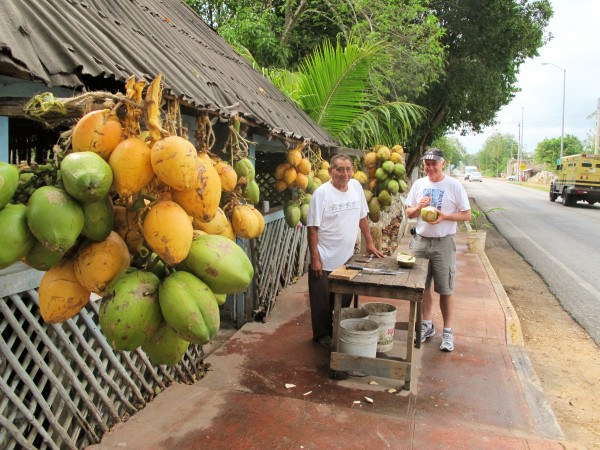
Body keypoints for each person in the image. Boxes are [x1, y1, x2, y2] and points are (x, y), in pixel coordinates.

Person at [307, 154, 385, 347]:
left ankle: (337, 332)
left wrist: (370, 243)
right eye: (340, 169)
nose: (344, 173)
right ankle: (322, 336)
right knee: (321, 304)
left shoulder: (357, 188)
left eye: (348, 169)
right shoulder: (322, 194)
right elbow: (312, 228)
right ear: (330, 171)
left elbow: (362, 218)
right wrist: (315, 258)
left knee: (342, 301)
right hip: (324, 259)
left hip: (347, 259)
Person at [405, 148, 471, 352]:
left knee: (445, 289)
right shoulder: (419, 184)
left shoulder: (454, 185)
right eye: (427, 163)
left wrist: (445, 217)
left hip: (444, 242)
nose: (430, 167)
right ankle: (427, 325)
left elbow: (466, 215)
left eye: (434, 163)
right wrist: (418, 207)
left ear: (443, 163)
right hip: (421, 241)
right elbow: (409, 213)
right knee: (421, 286)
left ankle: (448, 332)